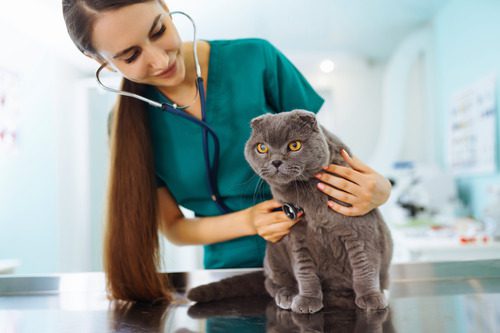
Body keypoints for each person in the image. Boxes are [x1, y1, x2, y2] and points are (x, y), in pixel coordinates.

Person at [62, 0, 392, 303]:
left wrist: (379, 190)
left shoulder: (256, 59)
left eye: (159, 31)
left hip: (322, 268)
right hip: (230, 277)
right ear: (98, 60)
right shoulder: (127, 127)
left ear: (165, 6)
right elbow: (174, 228)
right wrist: (250, 221)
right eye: (130, 55)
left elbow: (321, 155)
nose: (160, 60)